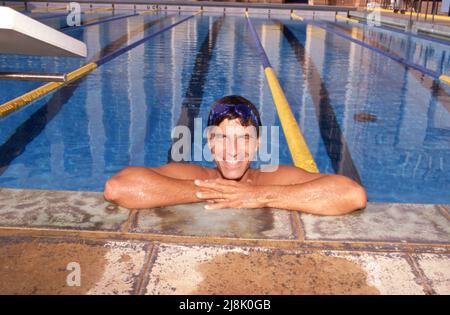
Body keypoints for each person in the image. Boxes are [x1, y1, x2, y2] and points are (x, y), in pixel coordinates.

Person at [104, 95, 367, 215]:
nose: (232, 150)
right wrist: (213, 191)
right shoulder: (195, 175)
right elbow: (118, 187)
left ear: (258, 145)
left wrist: (257, 195)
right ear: (209, 143)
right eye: (222, 138)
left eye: (244, 139)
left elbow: (352, 194)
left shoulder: (272, 178)